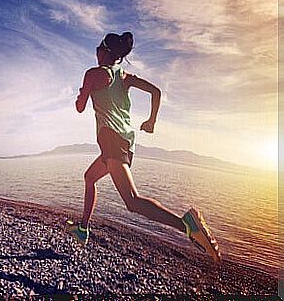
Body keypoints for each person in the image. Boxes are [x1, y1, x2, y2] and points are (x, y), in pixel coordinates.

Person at [68, 32, 221, 263]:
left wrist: (83, 94)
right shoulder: (125, 76)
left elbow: (79, 108)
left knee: (132, 201)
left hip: (111, 141)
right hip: (125, 143)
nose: (96, 51)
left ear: (104, 51)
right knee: (89, 177)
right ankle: (83, 229)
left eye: (98, 47)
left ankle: (186, 225)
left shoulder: (94, 74)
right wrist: (151, 121)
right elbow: (156, 92)